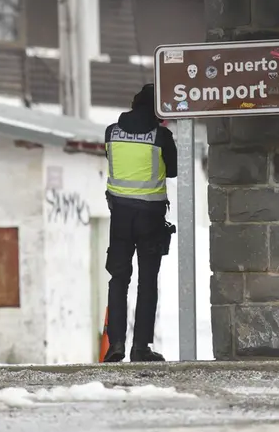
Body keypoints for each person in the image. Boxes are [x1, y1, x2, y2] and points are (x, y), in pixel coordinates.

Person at [102, 82, 177, 363]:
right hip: (150, 217)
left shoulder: (112, 132)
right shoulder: (161, 136)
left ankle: (115, 345)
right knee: (147, 282)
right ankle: (140, 347)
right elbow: (176, 170)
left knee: (118, 279)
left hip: (119, 216)